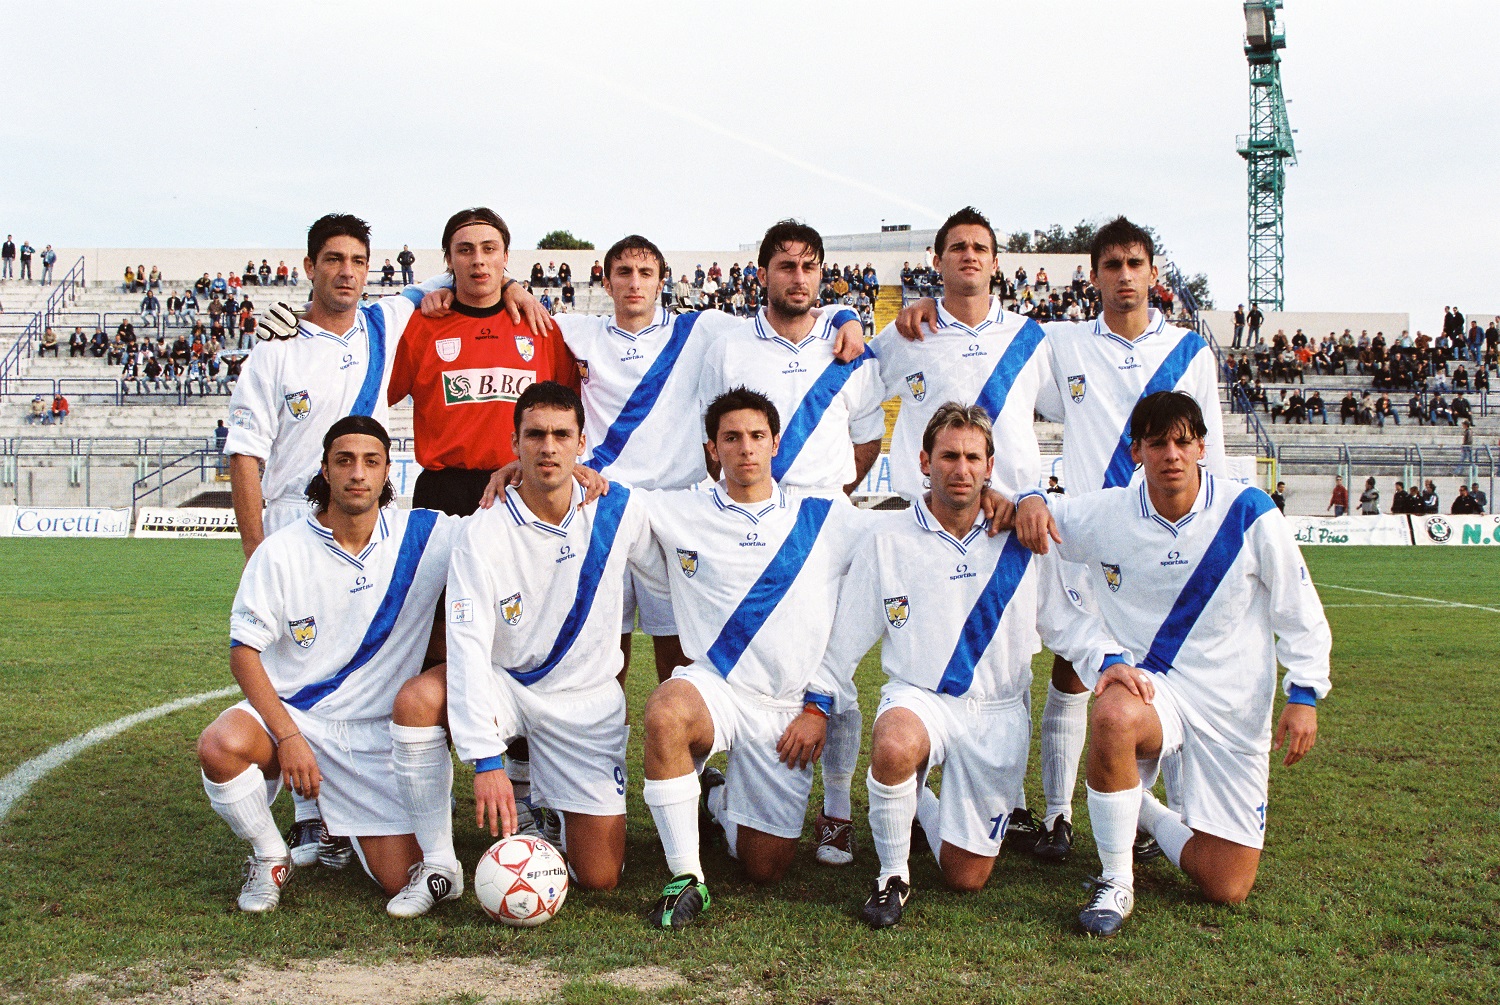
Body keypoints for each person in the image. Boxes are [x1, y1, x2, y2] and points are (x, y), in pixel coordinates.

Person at [907, 216, 1228, 862]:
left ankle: (1138, 811)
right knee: (1072, 667)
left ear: (1153, 274)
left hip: (1160, 538)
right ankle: (1055, 814)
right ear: (1094, 276)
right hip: (1082, 535)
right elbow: (990, 356)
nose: (1124, 277)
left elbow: (1210, 458)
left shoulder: (1191, 351)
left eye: (1135, 264)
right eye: (1111, 266)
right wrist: (928, 311)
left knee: (1152, 671)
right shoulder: (1061, 343)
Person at [1017, 390, 1330, 936]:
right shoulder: (1107, 514)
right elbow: (1037, 521)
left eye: (1183, 442)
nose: (1172, 455)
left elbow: (1298, 608)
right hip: (1154, 693)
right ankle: (1116, 879)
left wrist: (1303, 695)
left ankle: (1142, 809)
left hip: (1234, 708)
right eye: (1157, 443)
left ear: (1203, 447)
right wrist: (1027, 499)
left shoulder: (1248, 512)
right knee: (1113, 713)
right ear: (1136, 451)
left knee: (1226, 884)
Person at [819, 404, 1124, 928]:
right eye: (948, 456)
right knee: (893, 741)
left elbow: (1066, 625)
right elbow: (844, 643)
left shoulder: (1023, 541)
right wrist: (814, 701)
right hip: (920, 699)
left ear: (990, 466)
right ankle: (891, 877)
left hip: (997, 714)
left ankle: (920, 804)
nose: (960, 469)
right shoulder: (886, 539)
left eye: (972, 458)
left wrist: (1109, 662)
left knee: (966, 877)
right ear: (924, 461)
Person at [224, 214, 454, 859]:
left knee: (355, 666)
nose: (346, 271)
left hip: (363, 526)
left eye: (357, 260)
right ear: (309, 268)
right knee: (294, 667)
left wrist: (516, 289)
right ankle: (309, 816)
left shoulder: (386, 323)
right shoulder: (273, 354)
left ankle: (354, 798)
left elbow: (463, 272)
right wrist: (256, 552)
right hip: (293, 536)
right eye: (332, 259)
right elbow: (246, 457)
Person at [388, 382, 660, 917]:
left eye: (562, 435)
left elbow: (680, 564)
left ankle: (548, 805)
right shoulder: (482, 531)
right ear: (514, 445)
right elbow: (464, 648)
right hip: (505, 684)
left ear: (583, 443)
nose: (548, 447)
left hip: (585, 700)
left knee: (600, 878)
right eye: (535, 435)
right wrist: (484, 759)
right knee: (418, 700)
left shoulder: (621, 509)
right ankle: (440, 865)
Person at [195, 416, 461, 913]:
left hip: (377, 734)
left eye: (371, 462)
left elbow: (508, 523)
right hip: (299, 718)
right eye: (344, 460)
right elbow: (243, 654)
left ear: (387, 474)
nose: (357, 473)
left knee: (397, 878)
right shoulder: (282, 551)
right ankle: (270, 855)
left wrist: (521, 470)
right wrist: (290, 737)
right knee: (220, 744)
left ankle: (337, 824)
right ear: (325, 470)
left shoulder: (427, 534)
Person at [637, 388, 870, 929]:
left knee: (765, 867)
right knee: (666, 710)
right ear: (713, 449)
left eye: (757, 437)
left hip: (787, 709)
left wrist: (1002, 500)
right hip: (717, 689)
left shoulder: (824, 518)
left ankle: (716, 801)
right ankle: (686, 878)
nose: (745, 449)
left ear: (775, 444)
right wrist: (515, 472)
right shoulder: (680, 509)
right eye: (731, 438)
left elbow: (908, 535)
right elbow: (600, 493)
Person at [695, 220, 885, 865]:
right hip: (753, 516)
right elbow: (713, 430)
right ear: (763, 274)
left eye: (809, 266)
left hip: (823, 517)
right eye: (785, 266)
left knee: (837, 671)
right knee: (761, 663)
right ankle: (734, 792)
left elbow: (866, 438)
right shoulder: (729, 347)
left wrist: (829, 492)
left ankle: (836, 813)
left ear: (823, 275)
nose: (797, 277)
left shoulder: (847, 345)